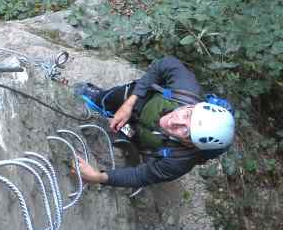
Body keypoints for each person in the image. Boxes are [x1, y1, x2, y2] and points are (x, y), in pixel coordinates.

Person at [73, 56, 235, 188]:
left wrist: (98, 177)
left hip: (150, 144)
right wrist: (128, 104)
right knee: (123, 95)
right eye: (187, 115)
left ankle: (131, 140)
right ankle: (100, 99)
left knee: (136, 148)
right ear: (193, 106)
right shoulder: (186, 88)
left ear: (191, 145)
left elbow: (141, 176)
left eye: (186, 131)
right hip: (144, 105)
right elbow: (165, 64)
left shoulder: (179, 162)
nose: (175, 122)